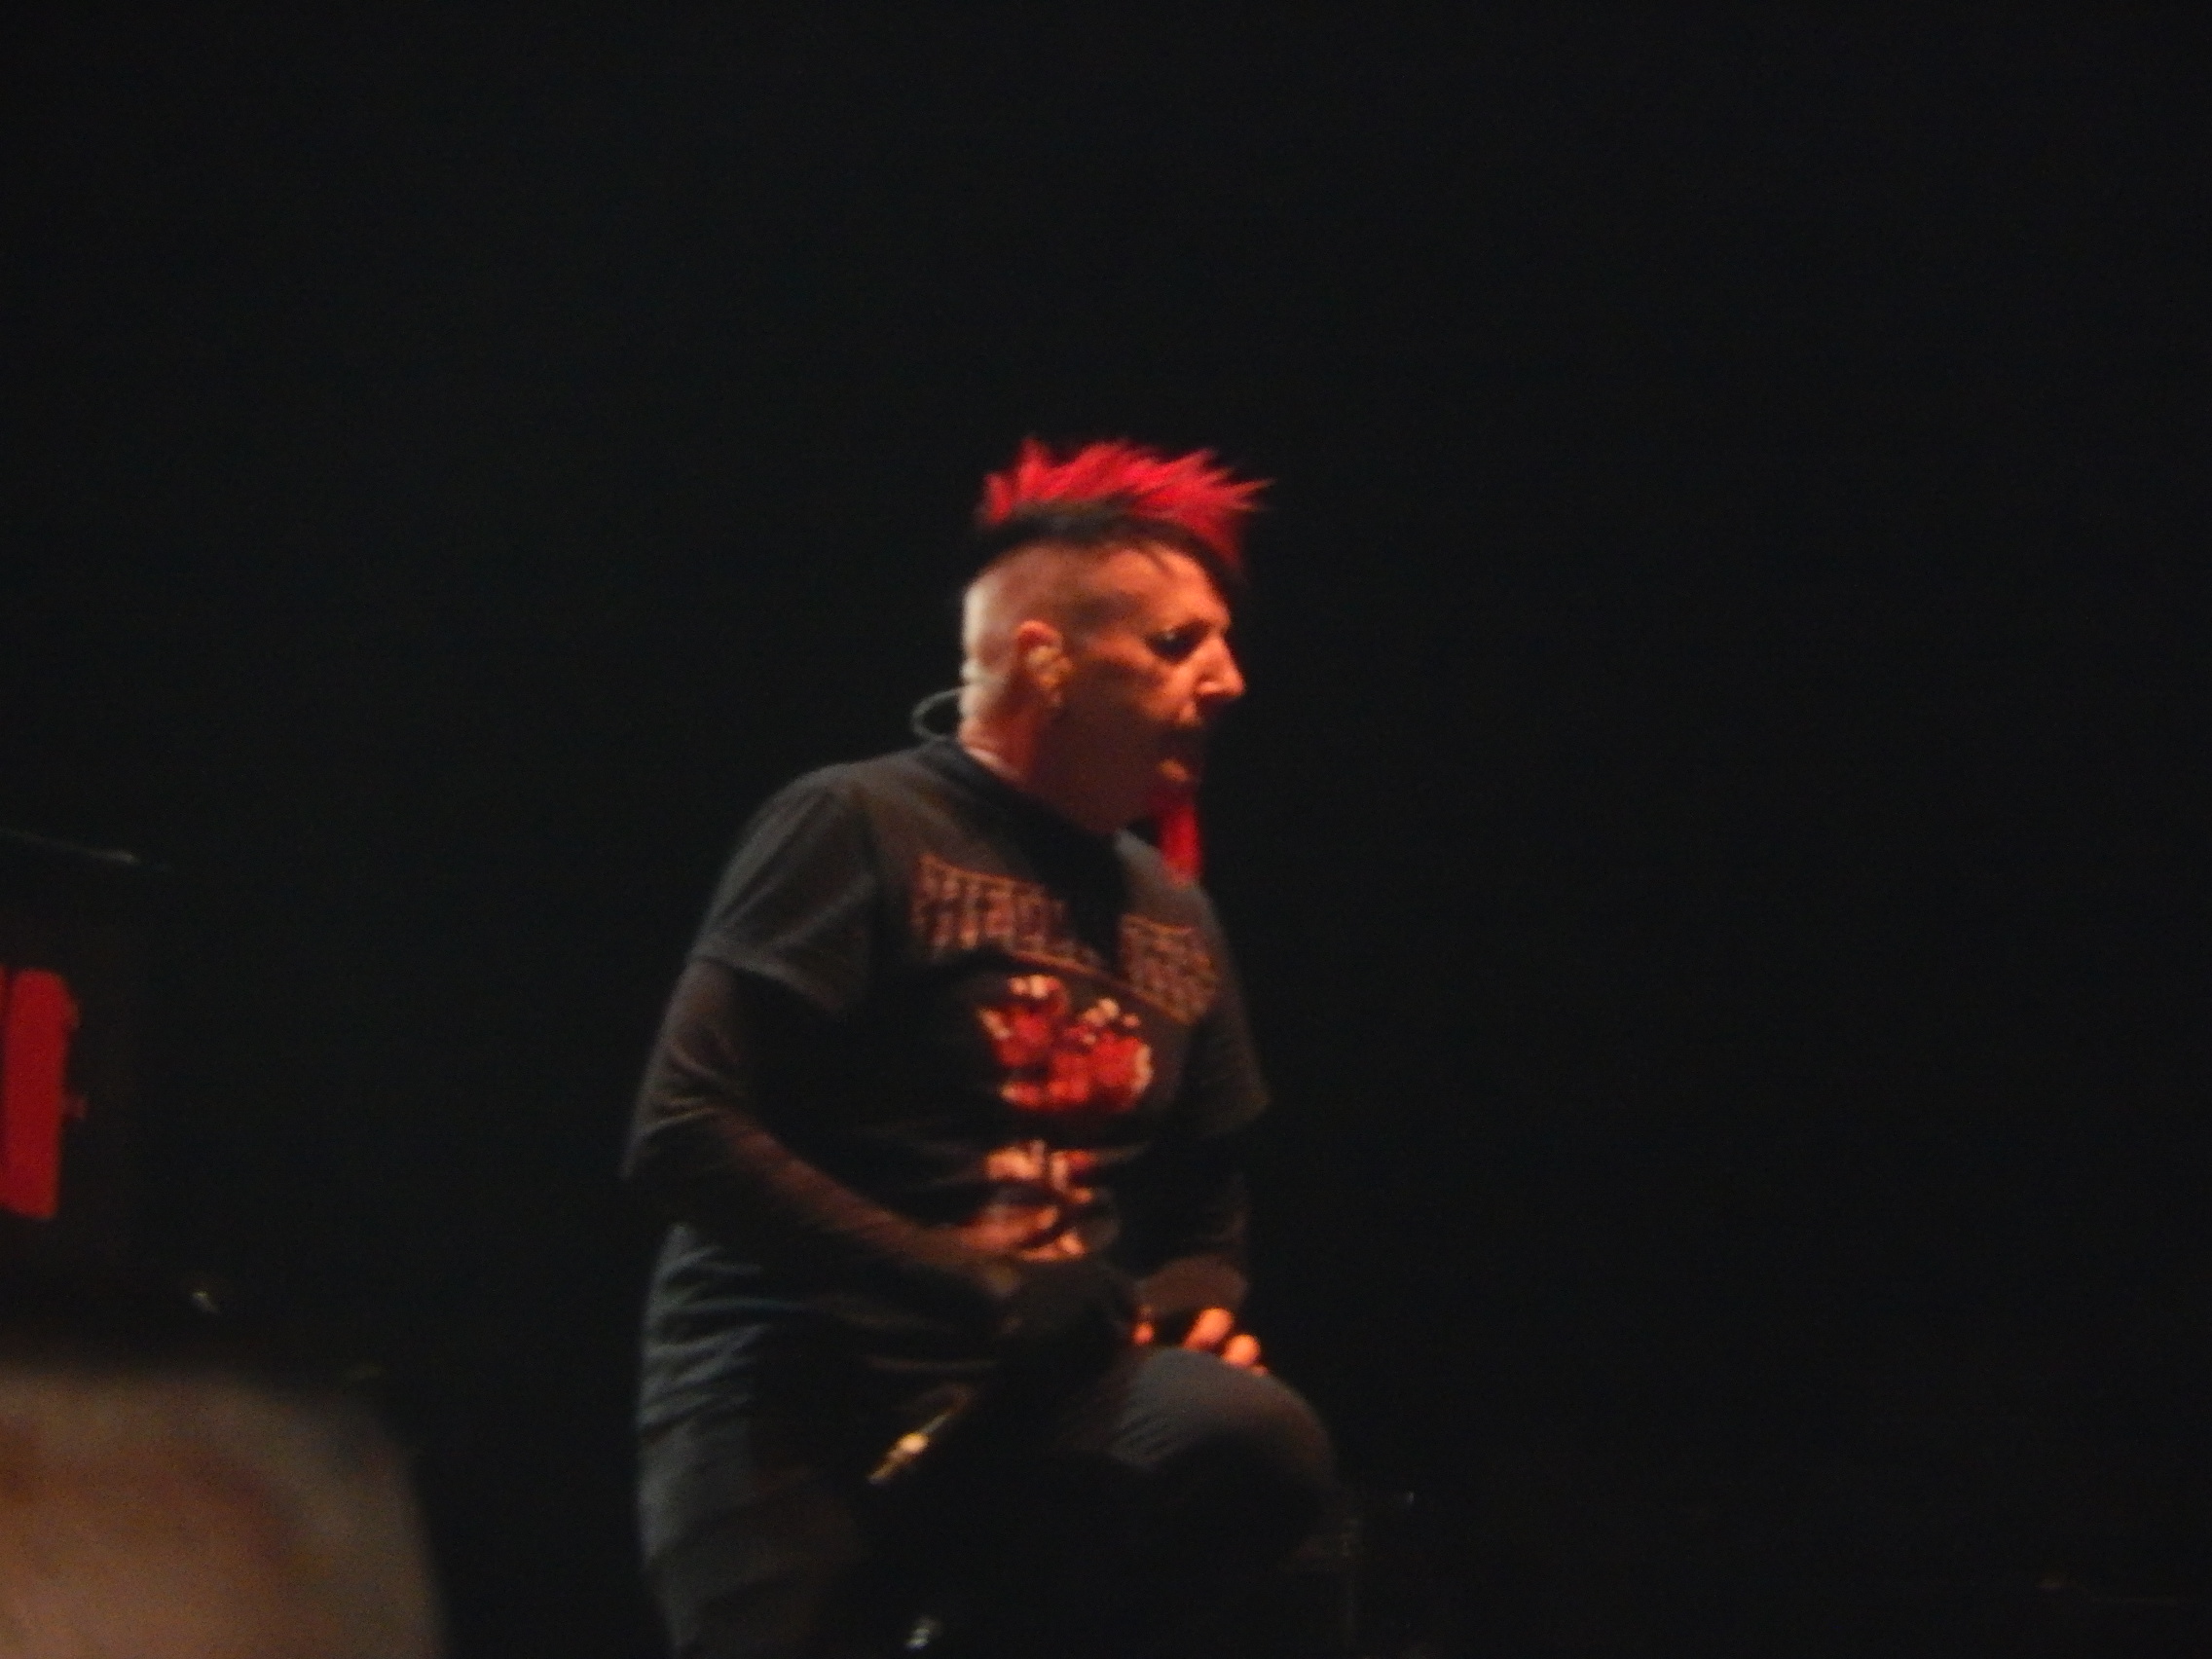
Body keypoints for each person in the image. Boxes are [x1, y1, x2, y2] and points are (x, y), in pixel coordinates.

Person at [624, 439, 1334, 1659]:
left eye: (1223, 643)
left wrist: (1187, 1309)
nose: (1227, 680)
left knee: (1255, 1444)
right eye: (1177, 643)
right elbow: (681, 1131)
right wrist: (986, 1285)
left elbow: (1209, 1203)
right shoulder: (860, 822)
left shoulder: (1174, 913)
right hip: (798, 1404)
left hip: (1032, 1411)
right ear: (1044, 660)